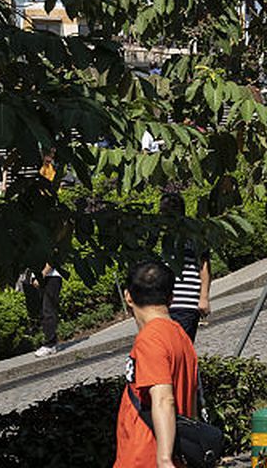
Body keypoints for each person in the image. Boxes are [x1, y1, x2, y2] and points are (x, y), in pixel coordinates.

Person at [113, 259, 200, 468]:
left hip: (144, 456)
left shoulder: (150, 339)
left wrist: (164, 459)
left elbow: (163, 399)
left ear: (128, 296)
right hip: (175, 454)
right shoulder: (179, 335)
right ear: (171, 298)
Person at [158, 191, 211, 341]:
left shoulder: (193, 236)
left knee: (181, 346)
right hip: (165, 304)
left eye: (165, 212)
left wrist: (204, 297)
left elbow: (204, 266)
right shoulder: (164, 238)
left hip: (186, 303)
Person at [19, 263, 64, 357]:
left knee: (48, 309)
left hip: (50, 277)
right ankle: (49, 340)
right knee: (39, 312)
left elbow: (52, 260)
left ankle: (50, 344)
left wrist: (41, 276)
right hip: (34, 279)